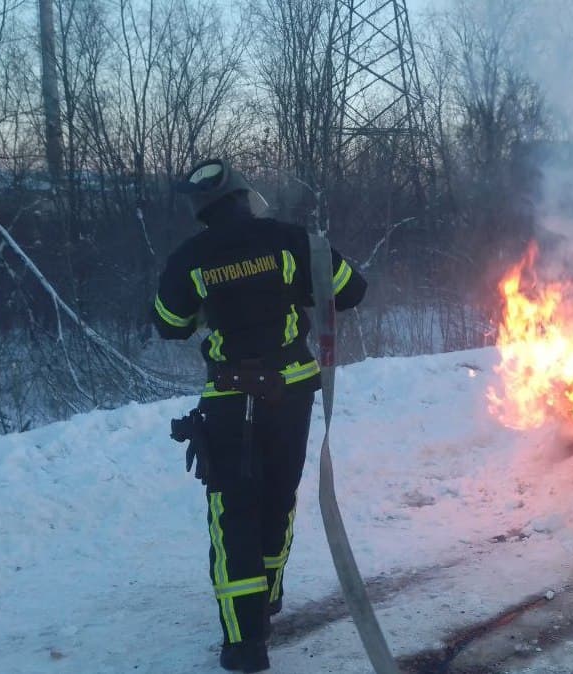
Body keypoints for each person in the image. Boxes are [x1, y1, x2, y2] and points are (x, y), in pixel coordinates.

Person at [152, 159, 367, 672]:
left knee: (232, 513)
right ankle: (267, 600)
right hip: (290, 395)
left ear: (200, 210)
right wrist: (294, 287)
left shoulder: (190, 257)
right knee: (277, 499)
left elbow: (169, 324)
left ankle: (244, 643)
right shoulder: (292, 241)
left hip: (230, 399)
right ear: (245, 196)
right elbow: (352, 290)